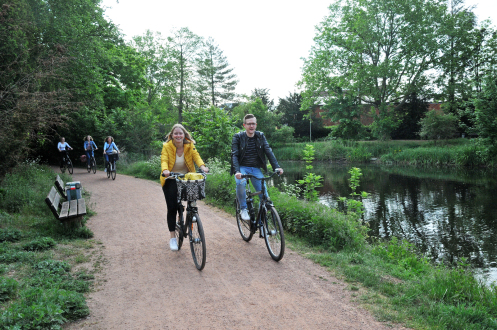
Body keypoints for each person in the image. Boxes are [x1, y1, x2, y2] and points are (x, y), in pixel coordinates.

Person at [161, 124, 209, 251]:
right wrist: (165, 170)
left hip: (186, 178)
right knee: (172, 208)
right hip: (170, 178)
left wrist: (203, 167)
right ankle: (172, 237)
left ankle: (189, 217)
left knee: (191, 201)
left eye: (180, 133)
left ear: (184, 135)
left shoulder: (189, 145)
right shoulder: (167, 146)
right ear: (171, 135)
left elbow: (196, 157)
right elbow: (164, 160)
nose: (178, 135)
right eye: (175, 133)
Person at [231, 114, 283, 222]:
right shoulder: (238, 137)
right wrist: (237, 171)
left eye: (253, 124)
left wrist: (276, 167)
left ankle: (260, 224)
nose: (251, 126)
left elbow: (268, 151)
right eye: (249, 124)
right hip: (242, 167)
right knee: (240, 183)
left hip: (255, 168)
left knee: (264, 196)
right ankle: (243, 209)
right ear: (244, 125)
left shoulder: (260, 136)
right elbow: (234, 155)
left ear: (256, 125)